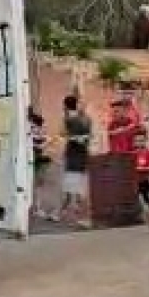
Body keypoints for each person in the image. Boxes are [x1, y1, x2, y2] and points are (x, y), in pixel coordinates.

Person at [59, 95, 92, 226]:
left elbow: (63, 133)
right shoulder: (84, 119)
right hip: (79, 155)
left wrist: (73, 138)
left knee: (73, 186)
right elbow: (86, 136)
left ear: (66, 105)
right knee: (76, 186)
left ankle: (73, 214)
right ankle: (70, 213)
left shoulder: (70, 119)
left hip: (74, 156)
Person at [28, 106, 52, 221]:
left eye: (36, 127)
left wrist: (42, 144)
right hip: (31, 159)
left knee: (38, 184)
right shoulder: (29, 132)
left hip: (38, 159)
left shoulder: (38, 132)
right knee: (34, 184)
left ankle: (37, 207)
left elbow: (48, 139)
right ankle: (35, 208)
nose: (35, 129)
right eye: (33, 127)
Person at [134, 128, 149, 223]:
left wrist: (140, 169)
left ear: (145, 141)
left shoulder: (148, 153)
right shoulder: (133, 154)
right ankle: (146, 216)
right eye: (136, 141)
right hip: (137, 181)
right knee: (139, 199)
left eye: (141, 141)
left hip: (147, 180)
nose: (139, 143)